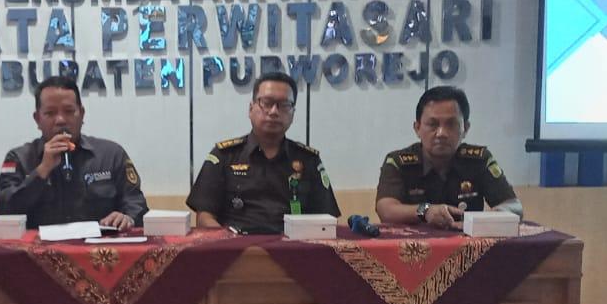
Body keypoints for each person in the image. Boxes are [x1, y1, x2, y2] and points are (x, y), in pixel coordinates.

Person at [187, 71, 340, 234]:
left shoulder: (308, 160)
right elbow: (204, 217)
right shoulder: (224, 156)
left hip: (293, 247)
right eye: (266, 103)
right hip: (235, 246)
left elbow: (327, 219)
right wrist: (227, 241)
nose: (274, 111)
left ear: (293, 113)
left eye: (284, 105)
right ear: (251, 108)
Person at [0, 74, 148, 229]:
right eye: (50, 113)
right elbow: (4, 212)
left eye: (69, 111)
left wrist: (128, 218)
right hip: (38, 244)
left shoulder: (111, 155)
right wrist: (42, 171)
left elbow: (137, 204)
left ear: (81, 114)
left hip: (99, 244)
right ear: (37, 119)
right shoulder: (18, 159)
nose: (60, 120)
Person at [375, 85, 522, 229]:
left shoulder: (479, 160)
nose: (441, 133)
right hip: (412, 243)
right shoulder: (399, 162)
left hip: (468, 242)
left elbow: (514, 206)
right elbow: (386, 210)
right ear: (417, 128)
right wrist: (425, 211)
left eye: (451, 124)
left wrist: (490, 218)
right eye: (433, 124)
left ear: (466, 128)